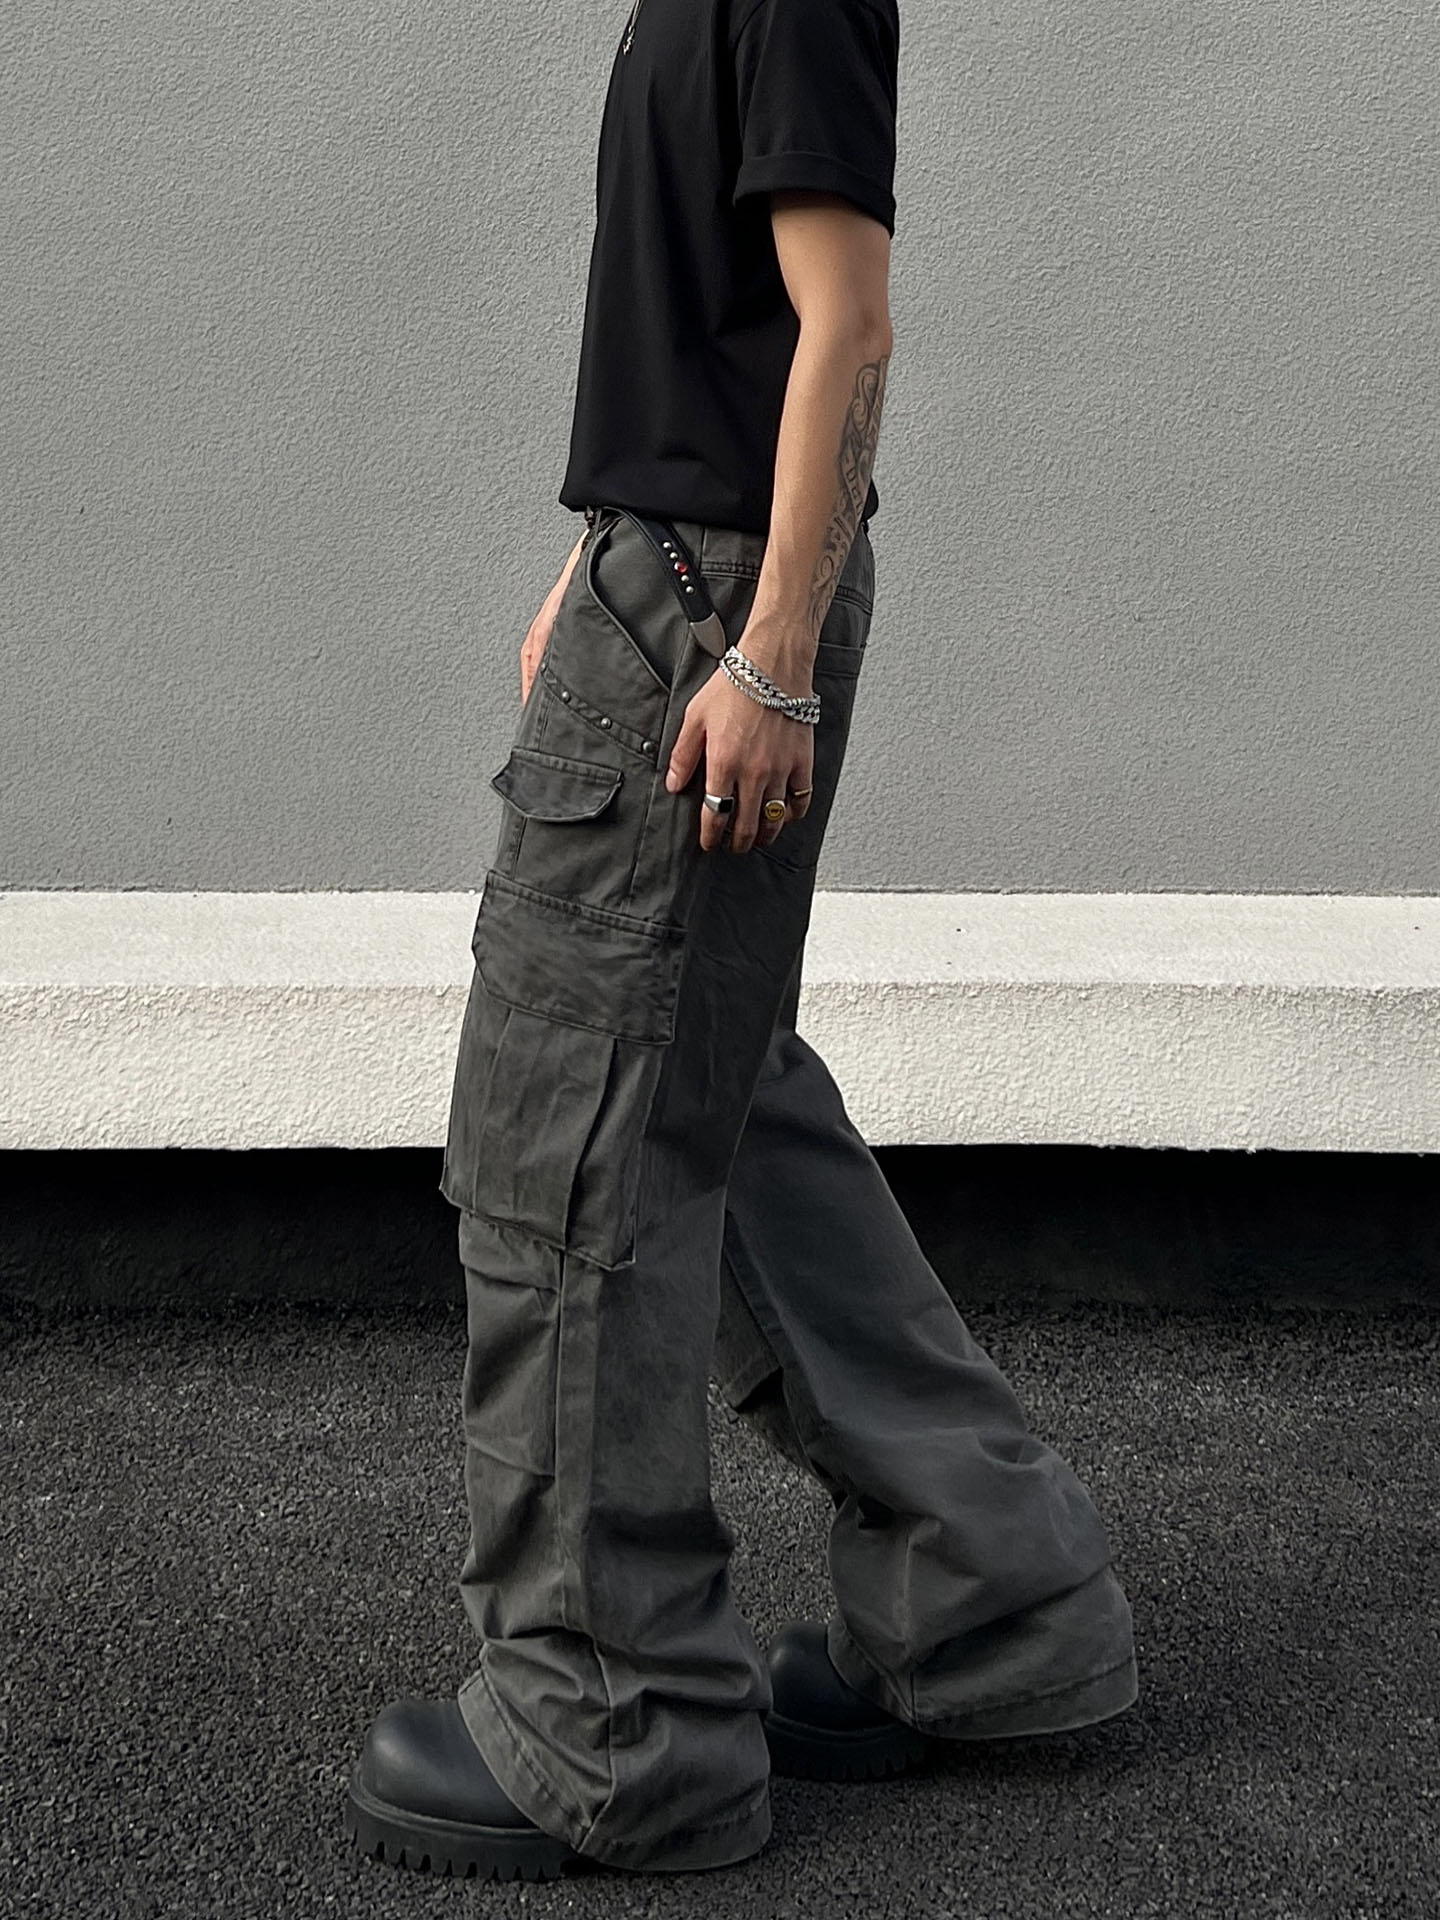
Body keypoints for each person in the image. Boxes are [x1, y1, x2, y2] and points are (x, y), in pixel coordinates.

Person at [345, 0, 1138, 1883]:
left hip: (710, 619)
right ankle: (995, 1595)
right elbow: (713, 328)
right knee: (722, 1099)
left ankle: (610, 1725)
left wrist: (768, 650)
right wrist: (600, 550)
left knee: (570, 1135)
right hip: (670, 576)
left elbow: (846, 322)